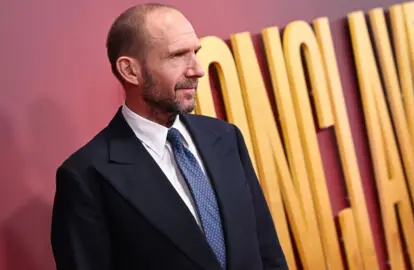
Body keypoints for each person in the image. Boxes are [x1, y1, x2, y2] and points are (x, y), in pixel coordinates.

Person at [50, 3, 287, 270]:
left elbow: (267, 250)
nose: (197, 69)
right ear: (130, 71)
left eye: (195, 52)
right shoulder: (87, 175)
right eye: (177, 56)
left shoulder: (225, 137)